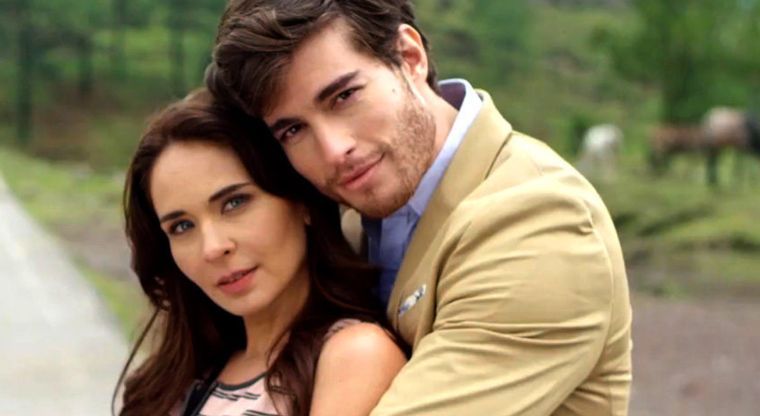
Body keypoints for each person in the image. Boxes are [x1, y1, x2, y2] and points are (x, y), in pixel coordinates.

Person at [206, 1, 633, 415]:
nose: (334, 150)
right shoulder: (351, 218)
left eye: (344, 96)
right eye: (293, 130)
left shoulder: (539, 222)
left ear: (409, 57)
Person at [115, 89, 406, 416]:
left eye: (234, 203)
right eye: (182, 226)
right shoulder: (180, 378)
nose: (213, 248)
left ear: (300, 200)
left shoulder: (354, 355)